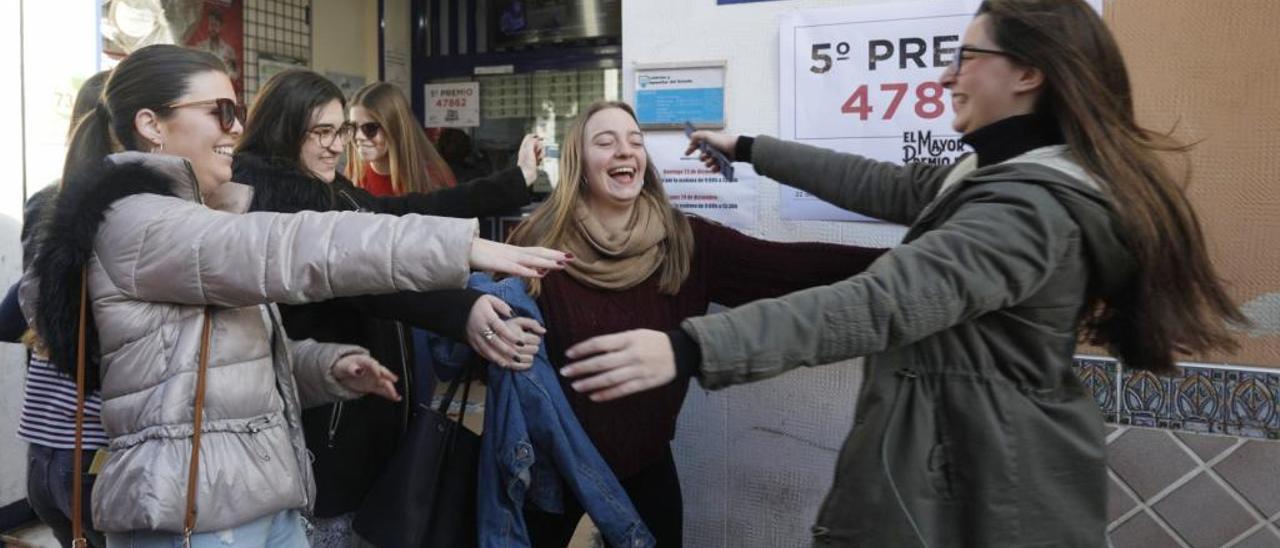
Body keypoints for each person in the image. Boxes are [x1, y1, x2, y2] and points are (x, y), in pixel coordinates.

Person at [560, 1, 1247, 546]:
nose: (948, 76)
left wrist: (688, 347)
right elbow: (885, 185)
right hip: (962, 470)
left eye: (965, 57)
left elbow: (878, 303)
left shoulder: (1025, 208)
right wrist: (752, 148)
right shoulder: (988, 173)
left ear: (1027, 72)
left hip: (986, 490)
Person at [24, 44, 567, 547]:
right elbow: (294, 243)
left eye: (237, 112)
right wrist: (460, 248)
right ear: (152, 125)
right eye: (221, 112)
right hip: (198, 515)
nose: (236, 129)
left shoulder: (196, 218)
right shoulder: (140, 224)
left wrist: (324, 367)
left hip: (250, 498)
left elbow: (222, 361)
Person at [504, 100, 886, 546]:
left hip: (644, 463)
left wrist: (907, 266)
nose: (625, 152)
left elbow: (790, 267)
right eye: (605, 143)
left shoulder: (686, 241)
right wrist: (496, 335)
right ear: (579, 164)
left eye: (635, 142)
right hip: (551, 465)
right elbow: (480, 330)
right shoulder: (536, 242)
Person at [232, 68, 546, 545]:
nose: (338, 145)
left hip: (363, 415)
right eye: (323, 132)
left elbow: (410, 213)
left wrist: (514, 182)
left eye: (342, 131)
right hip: (322, 428)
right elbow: (367, 278)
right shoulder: (272, 205)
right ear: (282, 128)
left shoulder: (329, 190)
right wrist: (462, 307)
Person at [1, 69, 112, 548]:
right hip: (94, 444)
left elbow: (20, 315)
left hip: (46, 443)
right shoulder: (127, 209)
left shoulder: (49, 198)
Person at [349, 82, 533, 197]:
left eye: (370, 128)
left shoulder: (431, 177)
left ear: (395, 128)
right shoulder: (353, 175)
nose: (358, 137)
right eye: (351, 127)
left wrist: (521, 175)